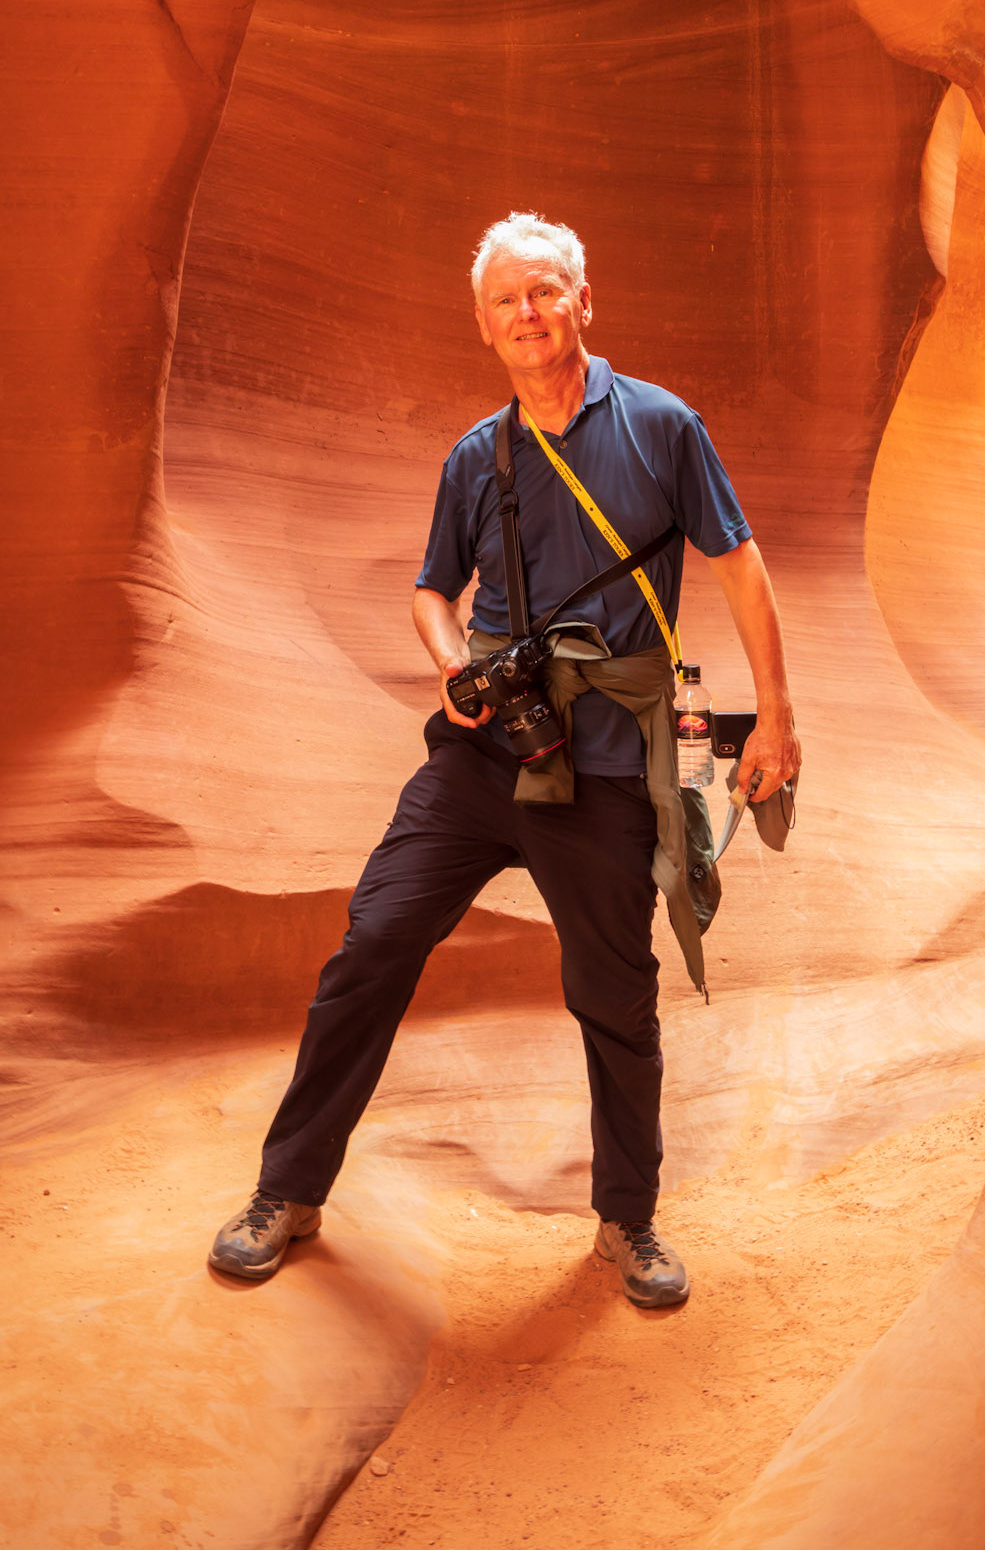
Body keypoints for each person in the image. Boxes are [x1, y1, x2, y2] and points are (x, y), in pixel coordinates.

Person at [208, 213, 799, 1305]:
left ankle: (628, 1221)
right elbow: (434, 586)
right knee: (373, 943)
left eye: (543, 291)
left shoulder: (665, 427)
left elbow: (741, 564)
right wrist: (450, 667)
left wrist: (777, 714)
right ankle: (287, 1190)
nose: (526, 314)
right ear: (483, 329)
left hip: (613, 762)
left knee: (614, 995)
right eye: (505, 302)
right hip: (487, 755)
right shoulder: (476, 457)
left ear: (584, 299)